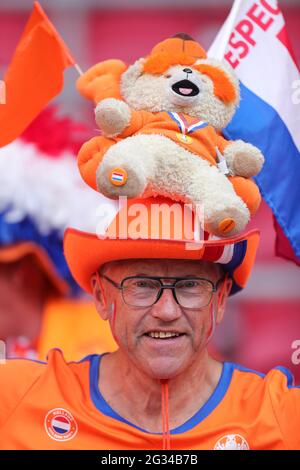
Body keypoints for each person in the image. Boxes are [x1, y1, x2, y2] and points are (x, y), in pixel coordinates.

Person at [0, 197, 299, 450]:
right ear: (102, 297)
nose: (166, 310)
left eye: (189, 285)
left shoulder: (282, 417)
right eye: (141, 284)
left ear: (220, 301)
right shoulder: (15, 398)